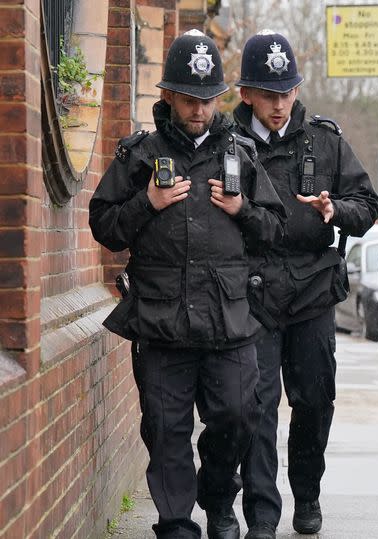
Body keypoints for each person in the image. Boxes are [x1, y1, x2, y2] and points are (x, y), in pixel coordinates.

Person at [89, 30, 286, 539]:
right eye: (188, 99)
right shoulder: (140, 154)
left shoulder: (241, 152)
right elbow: (105, 227)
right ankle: (176, 523)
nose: (198, 110)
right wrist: (146, 204)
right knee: (164, 428)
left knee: (238, 417)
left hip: (229, 319)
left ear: (219, 98)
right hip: (160, 318)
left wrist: (242, 209)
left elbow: (274, 229)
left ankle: (219, 499)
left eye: (207, 99)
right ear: (168, 97)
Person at [232, 31, 378, 539]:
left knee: (314, 400)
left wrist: (336, 209)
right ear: (246, 93)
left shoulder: (325, 140)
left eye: (287, 92)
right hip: (252, 291)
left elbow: (368, 207)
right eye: (268, 94)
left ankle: (308, 493)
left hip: (313, 289)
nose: (279, 105)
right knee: (255, 404)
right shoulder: (230, 143)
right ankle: (262, 513)